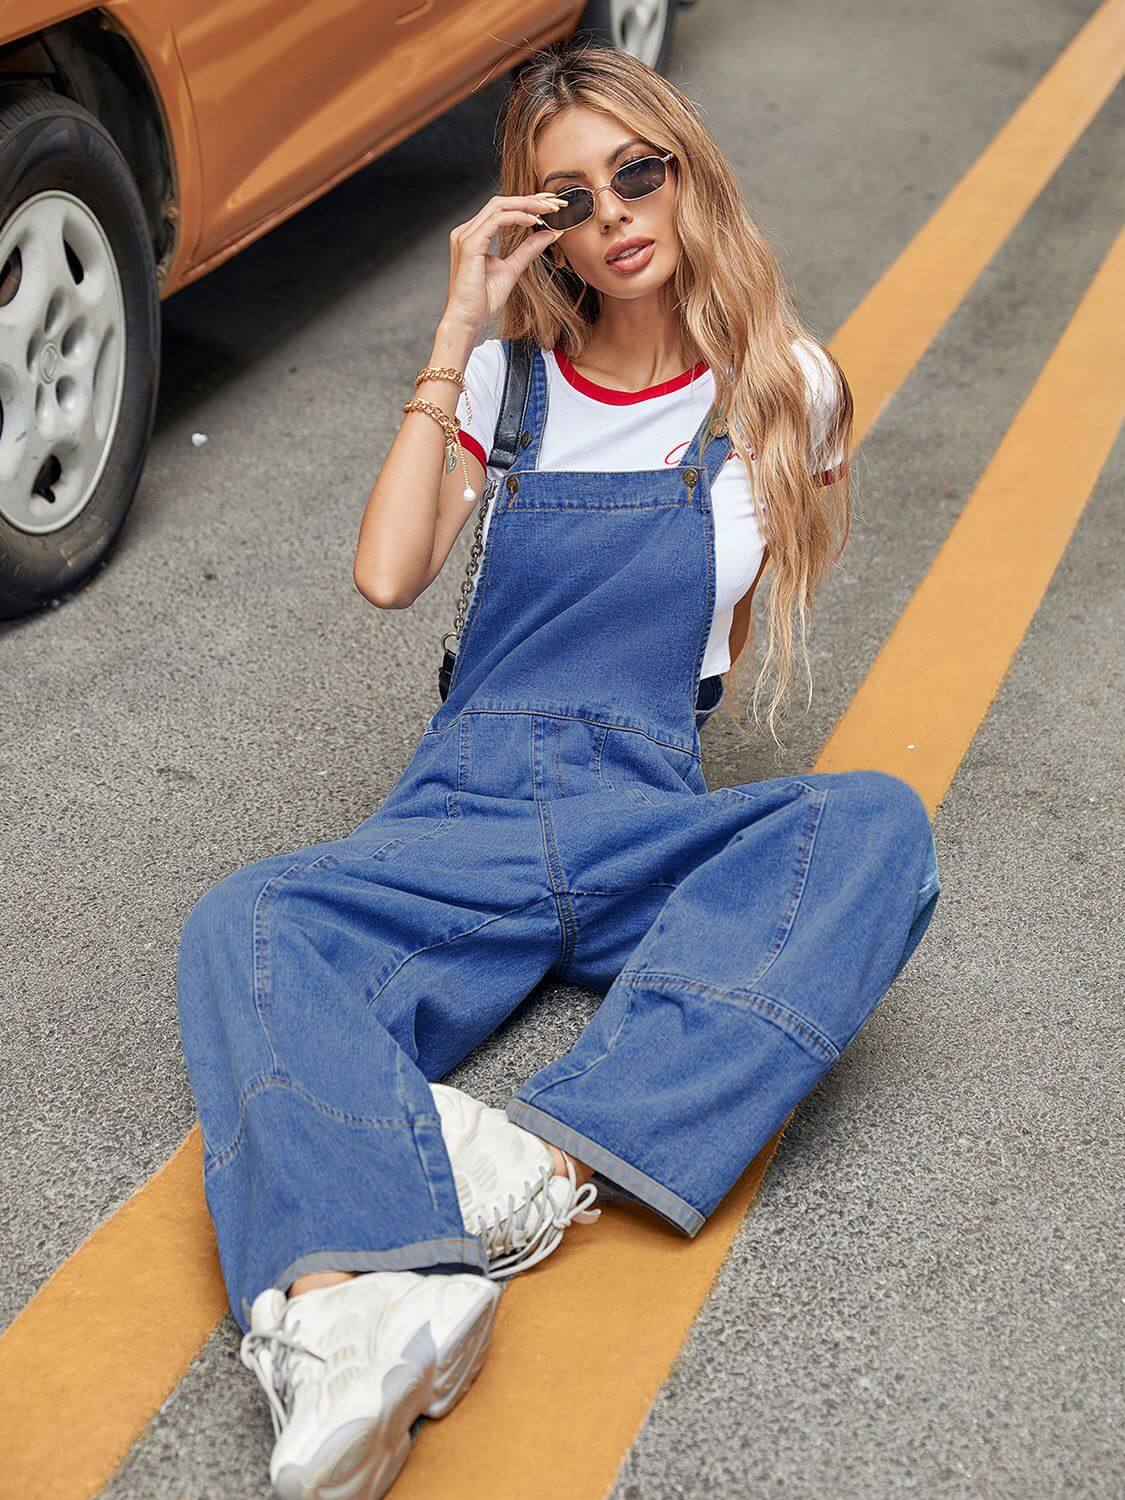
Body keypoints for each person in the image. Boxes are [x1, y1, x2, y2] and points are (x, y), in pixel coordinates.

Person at [177, 38, 941, 1500]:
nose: (616, 214)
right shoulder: (510, 388)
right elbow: (390, 573)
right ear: (540, 228)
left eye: (637, 172)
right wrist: (459, 320)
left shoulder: (782, 384)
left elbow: (803, 511)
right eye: (569, 197)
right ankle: (360, 1314)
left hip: (642, 810)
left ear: (685, 168)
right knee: (248, 922)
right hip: (462, 805)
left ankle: (550, 1164)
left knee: (874, 829)